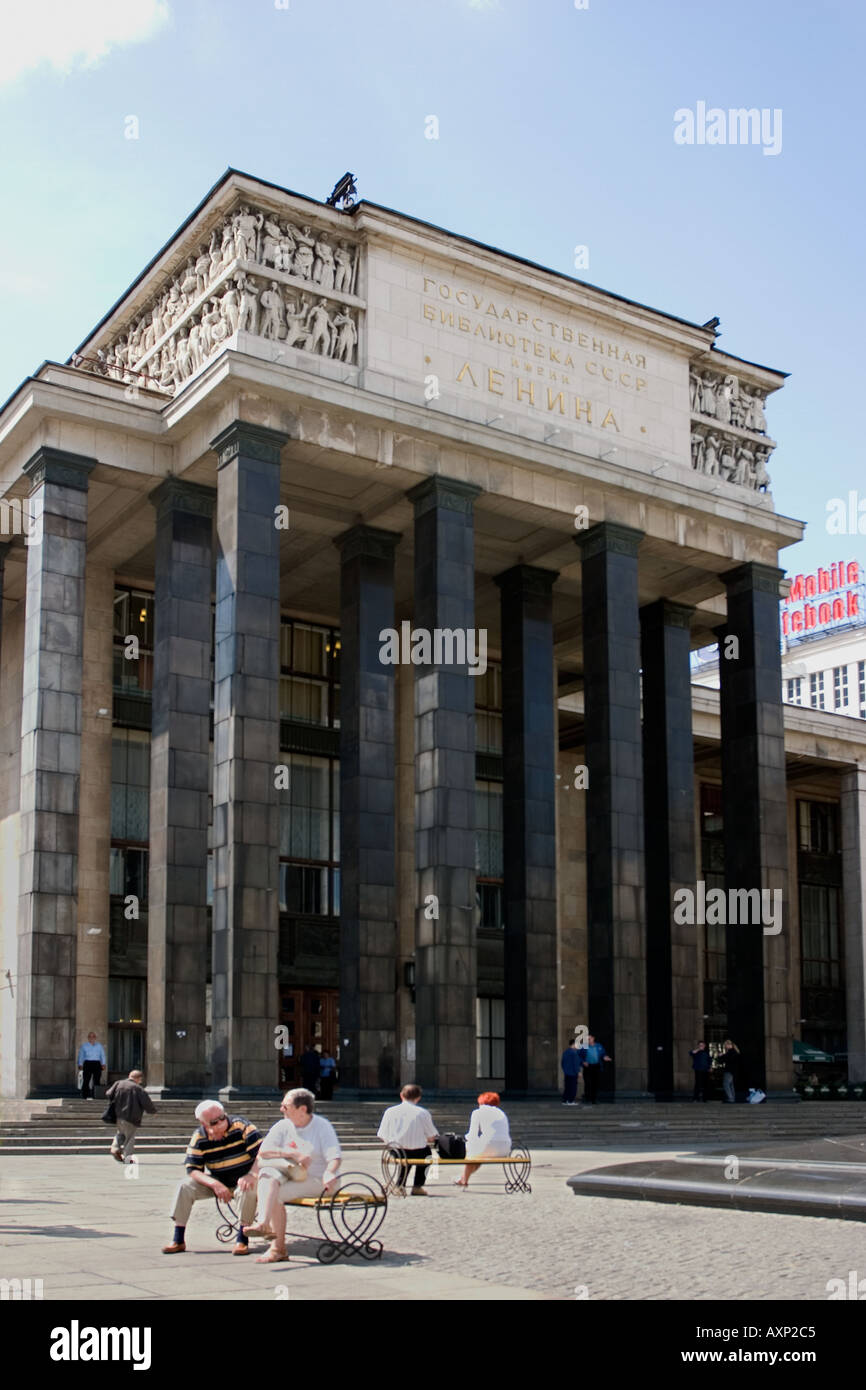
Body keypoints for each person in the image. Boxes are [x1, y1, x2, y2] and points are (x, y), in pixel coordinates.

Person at [245, 1088, 341, 1263]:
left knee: (274, 1194)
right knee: (267, 1173)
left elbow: (334, 1156)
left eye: (286, 1106)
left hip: (318, 1180)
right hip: (288, 1174)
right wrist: (291, 1153)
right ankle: (264, 1224)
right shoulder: (282, 1125)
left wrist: (330, 1172)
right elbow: (264, 1152)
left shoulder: (322, 1126)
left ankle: (277, 1247)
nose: (281, 1109)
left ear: (302, 1109)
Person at [162, 1101, 261, 1256]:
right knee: (185, 1186)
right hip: (219, 1179)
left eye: (222, 1117)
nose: (221, 1123)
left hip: (244, 1177)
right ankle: (178, 1239)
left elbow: (262, 1155)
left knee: (246, 1188)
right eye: (214, 1122)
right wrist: (214, 1184)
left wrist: (252, 1175)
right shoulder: (199, 1137)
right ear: (203, 1123)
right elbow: (193, 1170)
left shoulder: (242, 1126)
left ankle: (242, 1239)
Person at [377, 1084, 438, 1194]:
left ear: (401, 1095)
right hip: (418, 1151)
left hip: (396, 1150)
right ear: (418, 1097)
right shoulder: (423, 1113)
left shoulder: (390, 1111)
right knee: (426, 1154)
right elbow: (431, 1136)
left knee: (405, 1157)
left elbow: (382, 1134)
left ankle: (400, 1185)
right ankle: (417, 1186)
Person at [454, 1092, 510, 1188]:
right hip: (505, 1148)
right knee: (478, 1156)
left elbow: (472, 1135)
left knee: (472, 1152)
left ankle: (464, 1180)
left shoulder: (477, 1112)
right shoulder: (501, 1113)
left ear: (481, 1102)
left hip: (489, 1146)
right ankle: (462, 1178)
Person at [104, 1068, 156, 1163]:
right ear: (138, 1078)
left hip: (118, 1115)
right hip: (131, 1116)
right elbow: (147, 1103)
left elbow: (108, 1093)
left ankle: (114, 1147)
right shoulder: (138, 1089)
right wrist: (152, 1111)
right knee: (129, 1137)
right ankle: (128, 1157)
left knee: (120, 1133)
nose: (140, 1081)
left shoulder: (118, 1083)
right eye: (140, 1079)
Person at [579, 1035, 611, 1105]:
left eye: (589, 1038)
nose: (588, 1040)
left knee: (595, 1083)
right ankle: (587, 1099)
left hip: (596, 1067)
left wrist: (605, 1057)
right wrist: (583, 1062)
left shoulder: (599, 1046)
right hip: (588, 1067)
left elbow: (603, 1054)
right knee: (588, 1083)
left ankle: (594, 1099)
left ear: (593, 1038)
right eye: (587, 1039)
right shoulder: (583, 1047)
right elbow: (579, 1056)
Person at [77, 1032, 106, 1099]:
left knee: (97, 1080)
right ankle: (85, 1095)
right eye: (90, 1037)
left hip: (97, 1063)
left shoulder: (99, 1046)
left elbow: (102, 1055)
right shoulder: (84, 1046)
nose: (91, 1038)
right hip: (88, 1063)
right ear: (88, 1038)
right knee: (86, 1080)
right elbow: (81, 1056)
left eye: (93, 1036)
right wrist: (80, 1064)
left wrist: (103, 1063)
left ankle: (95, 1095)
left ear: (95, 1038)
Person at [561, 1038, 583, 1105]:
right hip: (573, 1073)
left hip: (567, 1072)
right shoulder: (574, 1053)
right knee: (573, 1087)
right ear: (574, 1044)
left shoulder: (565, 1052)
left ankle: (565, 1100)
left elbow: (562, 1063)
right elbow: (576, 1064)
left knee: (567, 1087)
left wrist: (565, 1070)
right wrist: (578, 1072)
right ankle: (571, 1101)